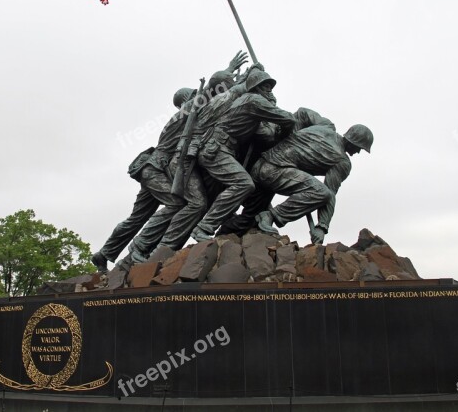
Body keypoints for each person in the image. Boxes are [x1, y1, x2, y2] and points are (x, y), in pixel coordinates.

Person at [90, 52, 248, 271]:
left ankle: (104, 254)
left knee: (136, 218)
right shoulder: (188, 110)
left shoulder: (189, 112)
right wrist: (231, 73)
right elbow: (213, 92)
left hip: (153, 169)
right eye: (195, 94)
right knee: (180, 203)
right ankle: (139, 248)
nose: (199, 95)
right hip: (157, 169)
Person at [189, 69, 296, 242]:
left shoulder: (247, 101)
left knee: (241, 186)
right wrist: (284, 132)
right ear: (257, 87)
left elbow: (265, 134)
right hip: (216, 149)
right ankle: (204, 228)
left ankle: (223, 224)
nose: (270, 91)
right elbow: (289, 119)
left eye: (271, 87)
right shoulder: (254, 100)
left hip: (221, 148)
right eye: (266, 87)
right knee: (244, 184)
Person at [225, 122, 372, 244]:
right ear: (353, 142)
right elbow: (330, 193)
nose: (358, 152)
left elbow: (301, 113)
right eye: (359, 148)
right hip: (274, 172)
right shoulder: (342, 161)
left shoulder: (324, 127)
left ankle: (224, 235)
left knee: (248, 219)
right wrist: (322, 227)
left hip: (259, 166)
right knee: (321, 192)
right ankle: (271, 216)